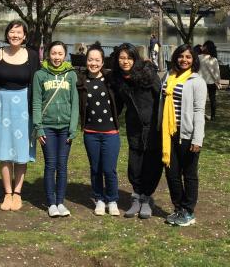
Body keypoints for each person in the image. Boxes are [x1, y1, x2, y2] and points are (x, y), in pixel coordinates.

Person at [0, 20, 40, 212]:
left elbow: (37, 83)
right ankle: (7, 192)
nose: (15, 35)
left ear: (24, 36)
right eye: (12, 31)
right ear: (7, 34)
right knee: (4, 149)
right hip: (2, 106)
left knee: (21, 149)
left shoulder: (32, 56)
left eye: (19, 32)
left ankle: (17, 192)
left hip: (24, 107)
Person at [109, 43, 162, 219]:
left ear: (135, 58)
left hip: (153, 127)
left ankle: (147, 198)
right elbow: (117, 104)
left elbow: (161, 98)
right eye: (122, 58)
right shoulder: (118, 79)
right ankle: (137, 197)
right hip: (134, 128)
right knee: (135, 164)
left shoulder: (148, 74)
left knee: (152, 164)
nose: (125, 61)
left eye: (129, 58)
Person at [158, 44, 207, 227]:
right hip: (167, 132)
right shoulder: (168, 77)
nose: (184, 60)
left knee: (189, 174)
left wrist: (197, 138)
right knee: (171, 173)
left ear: (194, 60)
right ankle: (178, 207)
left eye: (188, 57)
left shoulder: (196, 81)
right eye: (181, 56)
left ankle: (188, 210)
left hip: (187, 134)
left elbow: (199, 111)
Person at [33, 41, 78, 218]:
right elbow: (36, 102)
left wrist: (73, 128)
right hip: (48, 127)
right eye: (53, 53)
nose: (57, 57)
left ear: (65, 55)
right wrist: (39, 127)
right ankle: (51, 203)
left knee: (62, 165)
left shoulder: (71, 75)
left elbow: (75, 103)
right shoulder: (40, 75)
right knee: (51, 164)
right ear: (48, 55)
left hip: (66, 127)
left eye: (60, 54)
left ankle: (61, 201)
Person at [76, 44, 120, 216]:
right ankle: (99, 199)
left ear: (102, 62)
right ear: (86, 61)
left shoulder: (110, 80)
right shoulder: (81, 81)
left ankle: (112, 199)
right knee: (95, 168)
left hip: (110, 133)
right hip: (91, 133)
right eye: (90, 59)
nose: (93, 63)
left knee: (109, 169)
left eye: (97, 60)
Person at [199, 40, 221, 120]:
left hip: (201, 81)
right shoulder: (214, 59)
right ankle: (213, 116)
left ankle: (201, 115)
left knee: (201, 99)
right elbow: (217, 72)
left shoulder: (199, 57)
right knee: (212, 99)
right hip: (211, 82)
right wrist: (218, 81)